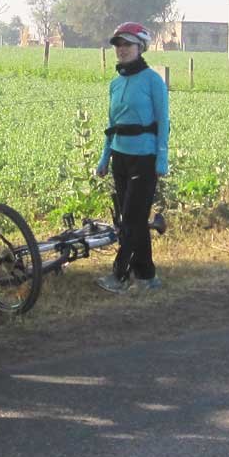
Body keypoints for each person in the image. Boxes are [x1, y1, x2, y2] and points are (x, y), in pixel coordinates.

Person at [94, 22, 169, 294]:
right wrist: (104, 158)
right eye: (118, 44)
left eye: (128, 44)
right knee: (132, 218)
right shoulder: (115, 84)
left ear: (141, 47)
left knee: (132, 221)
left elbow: (163, 121)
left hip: (144, 157)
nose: (122, 49)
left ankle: (120, 275)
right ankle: (147, 276)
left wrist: (162, 158)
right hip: (120, 156)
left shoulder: (153, 81)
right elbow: (111, 124)